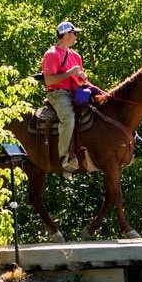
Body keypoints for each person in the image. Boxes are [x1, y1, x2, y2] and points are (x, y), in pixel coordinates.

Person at [41, 21, 89, 172]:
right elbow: (48, 80)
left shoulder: (76, 56)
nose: (76, 36)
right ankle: (65, 157)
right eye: (75, 33)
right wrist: (69, 73)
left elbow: (79, 80)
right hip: (58, 93)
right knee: (68, 119)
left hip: (76, 92)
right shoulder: (52, 54)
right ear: (66, 34)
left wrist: (82, 76)